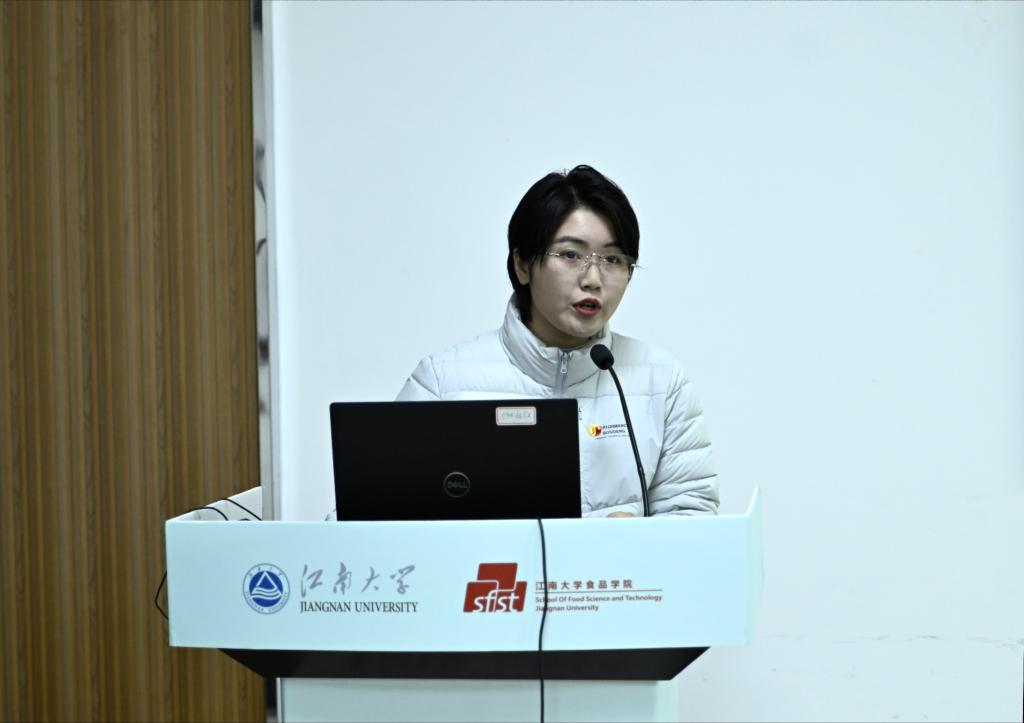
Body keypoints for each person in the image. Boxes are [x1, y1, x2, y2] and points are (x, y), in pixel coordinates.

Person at [396, 165, 718, 517]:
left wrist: (637, 538)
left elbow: (695, 520)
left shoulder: (662, 382)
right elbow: (382, 519)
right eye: (570, 255)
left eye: (612, 259)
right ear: (522, 264)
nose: (593, 279)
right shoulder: (443, 383)